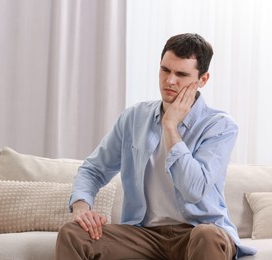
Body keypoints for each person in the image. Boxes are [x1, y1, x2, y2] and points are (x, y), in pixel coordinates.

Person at [56, 33, 256, 259]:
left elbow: (193, 190)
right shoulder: (134, 117)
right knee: (73, 233)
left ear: (203, 80)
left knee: (207, 236)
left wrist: (170, 127)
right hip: (144, 236)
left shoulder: (220, 126)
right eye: (165, 70)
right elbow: (94, 169)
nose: (170, 81)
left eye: (181, 74)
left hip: (197, 234)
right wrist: (81, 206)